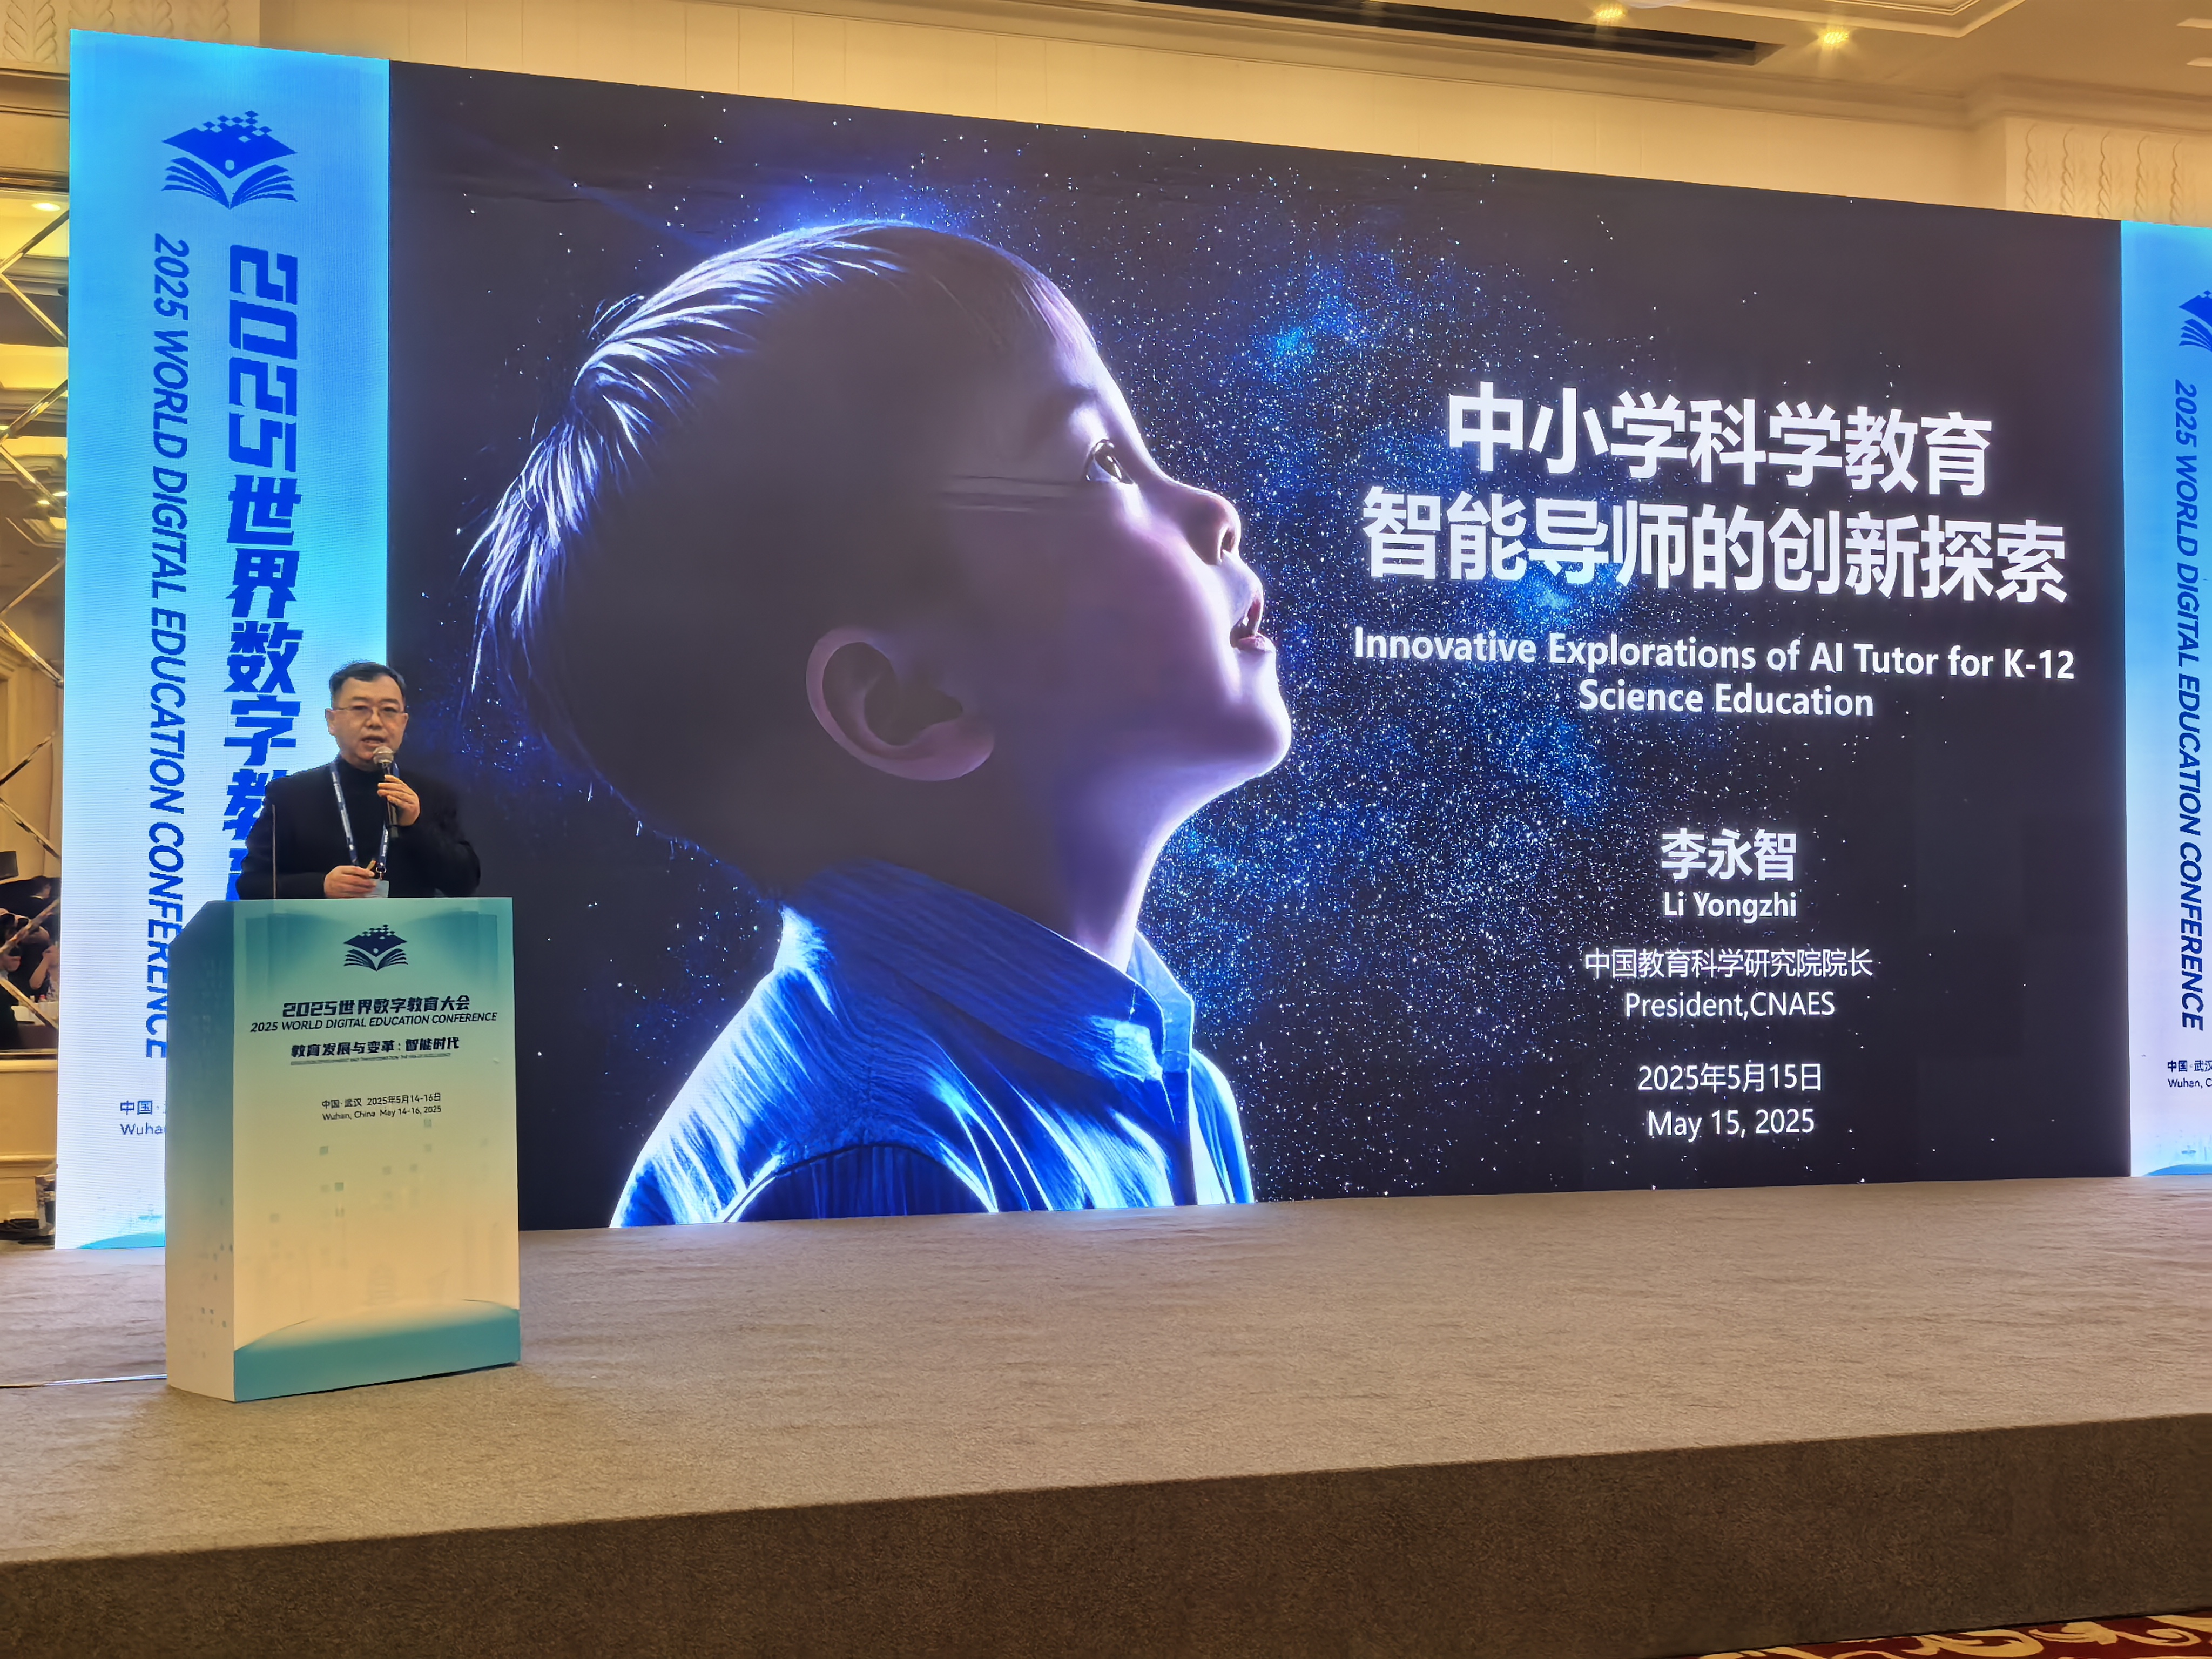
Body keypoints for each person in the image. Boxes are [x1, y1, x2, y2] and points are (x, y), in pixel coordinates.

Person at [474, 223, 1291, 1225]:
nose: (1215, 510)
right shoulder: (881, 1152)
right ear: (910, 704)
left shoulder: (1177, 1084)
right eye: (1101, 464)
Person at [238, 662, 482, 900]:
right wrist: (320, 886)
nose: (375, 721)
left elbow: (465, 883)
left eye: (389, 710)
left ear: (403, 723)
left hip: (409, 928)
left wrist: (416, 826)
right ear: (332, 721)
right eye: (360, 709)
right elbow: (252, 885)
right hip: (321, 927)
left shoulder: (431, 795)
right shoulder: (291, 796)